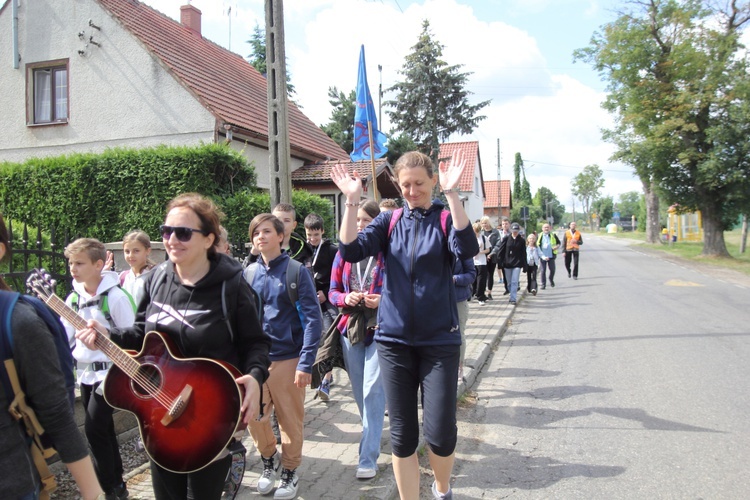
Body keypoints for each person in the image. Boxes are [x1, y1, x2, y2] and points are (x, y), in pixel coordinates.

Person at [77, 193, 271, 500]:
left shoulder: (231, 285)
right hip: (160, 416)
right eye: (166, 231)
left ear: (209, 239)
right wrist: (108, 333)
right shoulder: (156, 279)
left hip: (210, 415)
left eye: (182, 233)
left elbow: (256, 342)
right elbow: (141, 333)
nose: (171, 240)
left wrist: (257, 376)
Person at [330, 150, 478, 500]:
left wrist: (453, 194)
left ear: (433, 183)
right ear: (398, 183)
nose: (412, 191)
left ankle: (442, 489)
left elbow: (467, 247)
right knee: (402, 435)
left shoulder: (444, 219)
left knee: (440, 433)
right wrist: (351, 203)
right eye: (406, 184)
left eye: (420, 184)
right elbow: (349, 250)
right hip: (393, 342)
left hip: (440, 341)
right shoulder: (389, 221)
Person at [0, 214, 105, 500]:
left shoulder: (19, 321)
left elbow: (57, 414)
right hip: (84, 372)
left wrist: (93, 494)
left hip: (11, 486)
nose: (73, 269)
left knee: (102, 434)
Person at [244, 213, 322, 500]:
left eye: (266, 231)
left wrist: (305, 363)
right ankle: (268, 462)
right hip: (255, 361)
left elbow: (314, 321)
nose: (260, 237)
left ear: (280, 236)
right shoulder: (249, 272)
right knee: (255, 416)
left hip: (288, 358)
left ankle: (290, 470)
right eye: (255, 233)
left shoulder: (296, 271)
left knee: (290, 420)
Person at [63, 238, 136, 500]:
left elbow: (133, 338)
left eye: (79, 263)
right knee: (103, 431)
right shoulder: (72, 299)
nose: (73, 268)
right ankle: (117, 486)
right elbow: (65, 335)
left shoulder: (115, 297)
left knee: (93, 429)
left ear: (98, 264)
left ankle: (107, 488)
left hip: (112, 374)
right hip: (86, 374)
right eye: (71, 263)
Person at [327, 200, 386, 480]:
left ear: (377, 223)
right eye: (358, 220)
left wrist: (382, 300)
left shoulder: (387, 252)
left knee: (373, 389)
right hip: (350, 325)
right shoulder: (343, 253)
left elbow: (400, 288)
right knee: (360, 390)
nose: (361, 225)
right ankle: (373, 431)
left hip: (381, 326)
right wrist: (344, 298)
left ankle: (367, 457)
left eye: (367, 220)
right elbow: (332, 291)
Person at [303, 213, 340, 401]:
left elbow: (336, 276)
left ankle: (326, 379)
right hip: (308, 303)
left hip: (326, 302)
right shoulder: (303, 250)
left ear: (322, 232)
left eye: (316, 235)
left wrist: (325, 292)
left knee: (328, 336)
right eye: (309, 235)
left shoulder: (332, 250)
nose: (312, 239)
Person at [453, 255, 476, 382]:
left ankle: (459, 367)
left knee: (458, 333)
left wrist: (455, 279)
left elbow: (471, 274)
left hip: (458, 299)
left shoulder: (461, 248)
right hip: (437, 299)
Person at [118, 230, 156, 306]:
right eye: (127, 251)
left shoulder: (155, 276)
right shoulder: (122, 277)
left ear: (148, 251)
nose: (131, 255)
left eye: (136, 251)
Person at [497, 222, 527, 305]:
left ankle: (513, 298)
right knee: (509, 282)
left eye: (516, 230)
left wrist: (525, 265)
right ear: (511, 230)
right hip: (507, 263)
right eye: (513, 230)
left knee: (514, 281)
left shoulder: (521, 240)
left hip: (517, 264)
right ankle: (511, 292)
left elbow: (523, 253)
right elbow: (501, 251)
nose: (515, 232)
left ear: (518, 230)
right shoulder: (506, 238)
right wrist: (500, 262)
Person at [480, 217, 500, 300]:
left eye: (486, 223)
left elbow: (498, 244)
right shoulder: (481, 232)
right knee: (483, 275)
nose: (485, 225)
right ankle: (482, 292)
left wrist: (491, 253)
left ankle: (489, 292)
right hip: (482, 256)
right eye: (483, 223)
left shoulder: (495, 232)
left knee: (490, 274)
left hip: (492, 256)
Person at [472, 222, 490, 306]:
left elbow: (488, 249)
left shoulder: (483, 238)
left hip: (481, 262)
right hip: (472, 261)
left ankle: (480, 297)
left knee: (481, 280)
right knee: (473, 279)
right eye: (474, 230)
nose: (476, 232)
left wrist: (480, 252)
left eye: (477, 231)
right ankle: (471, 294)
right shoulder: (469, 238)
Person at [492, 218, 511, 295]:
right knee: (504, 272)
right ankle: (507, 288)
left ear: (509, 224)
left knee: (511, 272)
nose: (505, 225)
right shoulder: (499, 234)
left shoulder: (511, 233)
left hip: (510, 256)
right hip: (502, 256)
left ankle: (514, 286)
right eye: (503, 224)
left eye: (506, 224)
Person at [538, 223, 560, 289]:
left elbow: (559, 243)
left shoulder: (553, 235)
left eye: (547, 227)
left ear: (550, 228)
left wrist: (556, 246)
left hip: (551, 256)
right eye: (545, 227)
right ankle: (543, 284)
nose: (546, 229)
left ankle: (551, 279)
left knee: (552, 270)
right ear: (542, 229)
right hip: (543, 256)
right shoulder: (539, 235)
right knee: (543, 270)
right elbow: (536, 244)